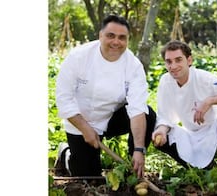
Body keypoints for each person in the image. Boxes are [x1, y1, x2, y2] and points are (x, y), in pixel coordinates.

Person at [55, 15, 156, 178]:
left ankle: (133, 166)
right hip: (80, 121)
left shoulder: (133, 65)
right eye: (111, 36)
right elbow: (63, 99)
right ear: (100, 35)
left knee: (148, 114)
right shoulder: (78, 57)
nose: (116, 42)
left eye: (122, 37)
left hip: (110, 119)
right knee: (88, 177)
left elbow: (137, 109)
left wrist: (139, 149)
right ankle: (65, 152)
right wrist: (85, 128)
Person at [151, 40, 217, 169]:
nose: (173, 66)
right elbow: (166, 117)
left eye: (178, 60)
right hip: (191, 134)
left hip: (215, 131)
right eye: (169, 61)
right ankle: (200, 168)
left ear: (189, 60)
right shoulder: (165, 81)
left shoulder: (204, 78)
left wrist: (209, 101)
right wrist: (161, 130)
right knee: (157, 132)